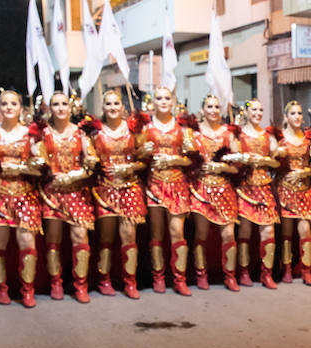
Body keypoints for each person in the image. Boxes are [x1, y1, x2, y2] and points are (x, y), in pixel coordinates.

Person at [0, 89, 44, 308]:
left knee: (27, 241)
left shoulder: (31, 134)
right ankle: (1, 289)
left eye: (13, 104)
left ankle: (28, 290)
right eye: (4, 104)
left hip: (25, 193)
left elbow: (41, 168)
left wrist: (20, 168)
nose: (9, 107)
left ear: (21, 108)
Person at [37, 91, 98, 303]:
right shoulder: (43, 134)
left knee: (80, 236)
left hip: (77, 191)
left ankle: (81, 285)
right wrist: (51, 173)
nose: (61, 108)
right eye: (56, 104)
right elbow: (40, 161)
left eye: (64, 104)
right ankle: (56, 282)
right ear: (50, 108)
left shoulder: (80, 134)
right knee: (53, 238)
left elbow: (92, 161)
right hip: (52, 193)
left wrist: (75, 175)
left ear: (71, 108)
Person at [87, 90, 147, 299]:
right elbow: (90, 160)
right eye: (108, 104)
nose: (112, 107)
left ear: (122, 107)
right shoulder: (94, 133)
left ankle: (130, 281)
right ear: (103, 108)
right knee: (106, 236)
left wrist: (130, 167)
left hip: (130, 187)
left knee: (129, 234)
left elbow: (143, 160)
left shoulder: (134, 130)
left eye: (116, 104)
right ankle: (104, 279)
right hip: (104, 189)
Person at [138, 86, 194, 296]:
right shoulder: (146, 128)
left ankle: (179, 279)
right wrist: (142, 151)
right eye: (159, 98)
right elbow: (137, 156)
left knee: (177, 231)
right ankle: (158, 277)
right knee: (156, 232)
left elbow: (192, 159)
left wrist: (173, 159)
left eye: (166, 98)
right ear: (153, 102)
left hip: (177, 184)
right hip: (154, 184)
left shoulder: (183, 129)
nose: (163, 101)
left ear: (173, 102)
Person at [189, 94, 242, 292]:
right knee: (201, 233)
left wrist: (222, 168)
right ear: (202, 110)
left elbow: (238, 166)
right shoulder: (194, 134)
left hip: (224, 189)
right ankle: (201, 274)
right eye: (209, 107)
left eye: (217, 107)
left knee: (228, 234)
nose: (213, 110)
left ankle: (230, 276)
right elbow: (188, 162)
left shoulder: (229, 134)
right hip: (201, 189)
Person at [234, 99, 281, 290]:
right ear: (246, 112)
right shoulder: (238, 135)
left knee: (268, 231)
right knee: (245, 230)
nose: (258, 113)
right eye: (254, 109)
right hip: (245, 187)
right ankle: (244, 272)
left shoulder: (269, 137)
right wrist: (244, 159)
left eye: (260, 110)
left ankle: (266, 274)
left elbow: (277, 163)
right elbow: (234, 161)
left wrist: (265, 161)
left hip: (264, 187)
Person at [275, 101, 311, 286]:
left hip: (304, 190)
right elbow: (272, 164)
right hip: (285, 189)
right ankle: (286, 269)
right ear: (286, 117)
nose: (297, 117)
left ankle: (306, 270)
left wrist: (304, 172)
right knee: (286, 232)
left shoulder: (308, 140)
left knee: (305, 230)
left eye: (300, 113)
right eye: (293, 113)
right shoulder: (279, 139)